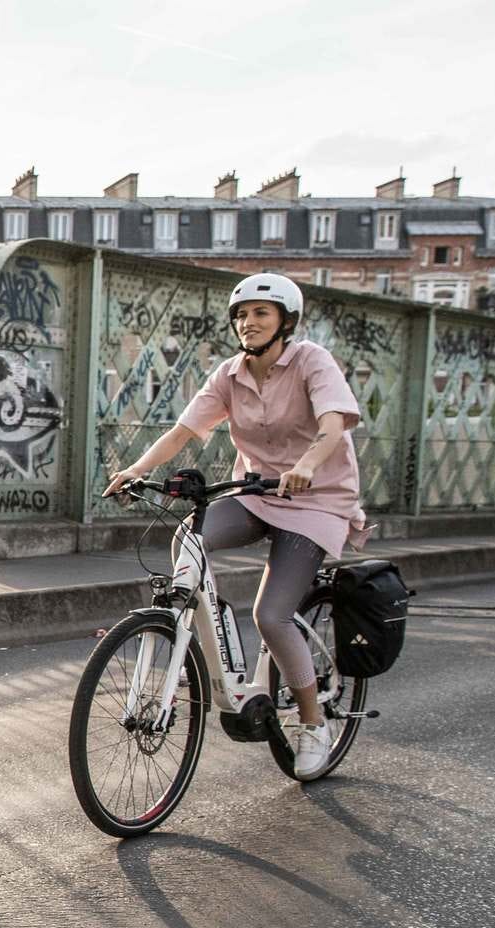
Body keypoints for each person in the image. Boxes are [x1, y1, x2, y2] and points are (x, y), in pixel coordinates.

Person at [104, 272, 364, 780]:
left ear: (286, 322)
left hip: (315, 500)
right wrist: (136, 469)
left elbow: (334, 421)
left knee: (272, 615)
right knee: (189, 538)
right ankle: (193, 624)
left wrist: (308, 464)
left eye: (261, 313)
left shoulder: (311, 360)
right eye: (242, 315)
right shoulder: (230, 373)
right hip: (257, 494)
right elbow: (184, 430)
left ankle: (314, 724)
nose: (249, 322)